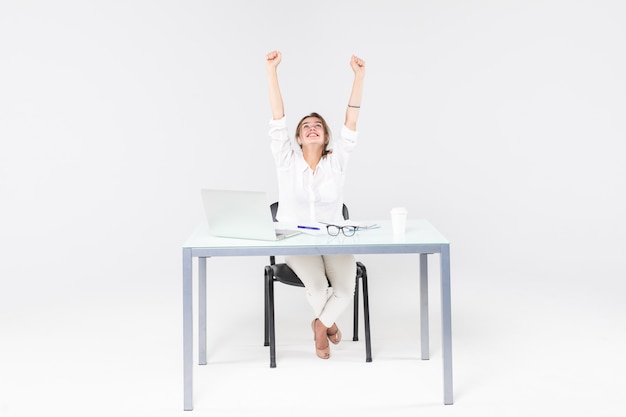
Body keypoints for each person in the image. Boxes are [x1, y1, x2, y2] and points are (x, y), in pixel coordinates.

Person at [265, 50, 365, 359]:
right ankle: (329, 324)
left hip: (334, 237)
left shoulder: (337, 163)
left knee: (346, 289)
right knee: (320, 288)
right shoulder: (286, 162)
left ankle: (320, 325)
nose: (311, 128)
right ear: (297, 137)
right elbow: (277, 118)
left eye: (317, 126)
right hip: (297, 241)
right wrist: (272, 72)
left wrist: (358, 77)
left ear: (325, 138)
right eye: (306, 126)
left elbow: (351, 122)